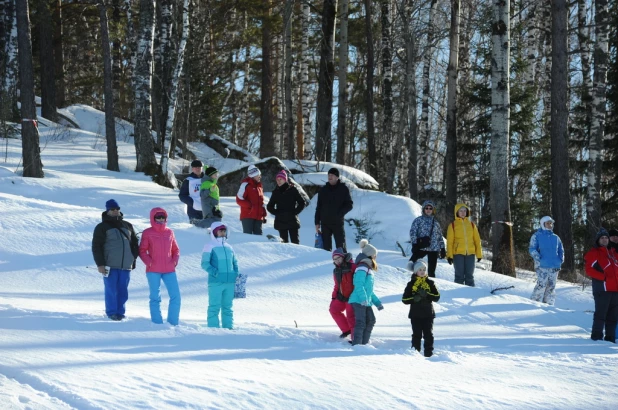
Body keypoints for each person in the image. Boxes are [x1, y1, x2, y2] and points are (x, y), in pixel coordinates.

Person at [91, 199, 139, 321]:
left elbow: (134, 243)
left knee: (123, 290)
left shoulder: (127, 225)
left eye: (117, 209)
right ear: (107, 210)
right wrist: (100, 264)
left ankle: (120, 313)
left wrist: (133, 257)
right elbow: (96, 246)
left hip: (126, 265)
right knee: (111, 290)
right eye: (113, 209)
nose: (116, 211)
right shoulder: (102, 227)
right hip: (109, 265)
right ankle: (111, 313)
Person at [139, 208, 181, 326]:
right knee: (155, 297)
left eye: (163, 217)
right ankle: (157, 323)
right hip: (153, 270)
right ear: (153, 218)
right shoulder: (147, 232)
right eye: (158, 217)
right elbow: (142, 251)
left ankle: (173, 323)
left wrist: (174, 261)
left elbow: (176, 250)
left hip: (169, 270)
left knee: (176, 296)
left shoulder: (170, 232)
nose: (161, 219)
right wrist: (149, 262)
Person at [201, 222, 240, 329]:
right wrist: (216, 273)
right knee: (214, 307)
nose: (222, 233)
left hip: (229, 283)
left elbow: (235, 263)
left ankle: (229, 329)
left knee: (228, 307)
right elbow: (204, 264)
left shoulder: (229, 247)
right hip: (216, 282)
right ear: (214, 232)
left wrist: (235, 275)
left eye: (224, 231)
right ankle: (213, 330)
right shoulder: (209, 246)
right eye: (220, 230)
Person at [584, 228, 618, 343]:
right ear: (598, 240)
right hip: (602, 289)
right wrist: (603, 278)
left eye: (606, 238)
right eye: (602, 238)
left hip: (615, 290)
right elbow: (589, 270)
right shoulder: (594, 253)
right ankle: (596, 338)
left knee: (613, 317)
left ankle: (610, 338)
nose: (604, 240)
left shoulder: (613, 252)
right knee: (601, 315)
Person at [402, 260, 440, 357]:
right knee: (416, 335)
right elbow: (405, 299)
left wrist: (427, 294)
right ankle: (415, 353)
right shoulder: (411, 284)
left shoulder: (430, 283)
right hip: (415, 314)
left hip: (428, 314)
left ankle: (429, 353)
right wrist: (414, 298)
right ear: (415, 271)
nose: (422, 271)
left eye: (424, 269)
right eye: (420, 269)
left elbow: (437, 297)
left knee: (428, 334)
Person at [348, 239, 383, 345]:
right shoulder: (362, 267)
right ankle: (357, 345)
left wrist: (377, 302)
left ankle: (364, 344)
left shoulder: (368, 268)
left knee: (371, 320)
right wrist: (363, 298)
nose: (375, 257)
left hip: (365, 300)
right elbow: (358, 284)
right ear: (370, 255)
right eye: (374, 255)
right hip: (359, 300)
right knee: (361, 322)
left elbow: (369, 291)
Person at [314, 168, 353, 252]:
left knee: (341, 248)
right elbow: (318, 207)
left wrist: (340, 213)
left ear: (337, 177)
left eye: (332, 175)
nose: (330, 177)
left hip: (337, 223)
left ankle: (344, 264)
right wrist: (317, 222)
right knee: (325, 249)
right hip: (325, 223)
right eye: (328, 175)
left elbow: (349, 205)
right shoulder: (323, 190)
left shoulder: (343, 189)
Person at [528, 216, 564, 305]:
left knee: (551, 286)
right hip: (542, 265)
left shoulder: (556, 237)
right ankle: (534, 303)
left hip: (554, 266)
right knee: (541, 285)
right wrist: (538, 258)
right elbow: (532, 249)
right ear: (543, 224)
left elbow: (561, 249)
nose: (550, 225)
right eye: (548, 223)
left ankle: (549, 304)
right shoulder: (536, 236)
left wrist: (560, 259)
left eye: (551, 223)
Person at [446, 203, 482, 287]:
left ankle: (471, 293)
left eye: (464, 211)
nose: (463, 212)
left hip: (470, 254)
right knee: (459, 276)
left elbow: (477, 240)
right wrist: (449, 256)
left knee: (469, 276)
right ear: (457, 212)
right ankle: (459, 293)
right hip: (458, 254)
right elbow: (450, 242)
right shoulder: (452, 225)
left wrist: (479, 254)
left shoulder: (472, 225)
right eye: (461, 211)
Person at [266, 170, 306, 244]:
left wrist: (295, 212)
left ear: (285, 179)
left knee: (295, 243)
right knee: (284, 244)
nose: (278, 181)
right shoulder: (276, 192)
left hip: (292, 220)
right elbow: (269, 206)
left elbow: (302, 203)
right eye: (277, 179)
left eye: (280, 179)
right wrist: (277, 213)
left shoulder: (293, 190)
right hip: (281, 222)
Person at [409, 200, 446, 277]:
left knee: (432, 271)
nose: (428, 210)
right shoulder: (418, 220)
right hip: (422, 247)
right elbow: (413, 232)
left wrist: (442, 248)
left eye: (430, 208)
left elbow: (439, 236)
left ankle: (431, 284)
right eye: (426, 208)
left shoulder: (435, 222)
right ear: (423, 209)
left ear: (433, 210)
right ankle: (414, 281)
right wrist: (414, 244)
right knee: (414, 266)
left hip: (434, 248)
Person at [329, 248, 357, 339]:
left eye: (338, 258)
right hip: (341, 296)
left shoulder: (353, 266)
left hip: (352, 296)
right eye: (335, 259)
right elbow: (337, 285)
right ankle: (346, 330)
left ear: (343, 257)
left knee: (351, 316)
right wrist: (333, 298)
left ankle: (355, 338)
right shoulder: (336, 270)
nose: (337, 261)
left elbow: (359, 281)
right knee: (333, 310)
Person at [237, 164, 267, 235]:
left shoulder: (259, 187)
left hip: (258, 217)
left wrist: (263, 212)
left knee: (258, 238)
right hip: (248, 216)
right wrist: (250, 205)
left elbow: (261, 202)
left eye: (260, 175)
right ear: (253, 175)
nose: (260, 176)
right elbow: (239, 199)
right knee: (248, 237)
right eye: (258, 175)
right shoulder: (245, 185)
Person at [178, 159, 205, 224]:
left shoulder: (207, 180)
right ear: (192, 168)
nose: (198, 169)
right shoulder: (188, 180)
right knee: (195, 230)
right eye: (195, 167)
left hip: (206, 210)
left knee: (206, 231)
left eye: (199, 167)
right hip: (193, 211)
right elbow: (182, 195)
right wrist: (193, 203)